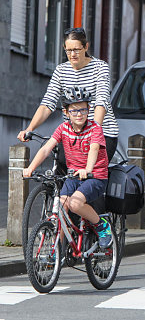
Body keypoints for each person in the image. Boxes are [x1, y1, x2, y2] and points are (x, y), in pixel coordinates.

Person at [23, 86, 113, 249]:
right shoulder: (63, 128)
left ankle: (102, 225)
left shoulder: (95, 129)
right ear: (66, 112)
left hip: (95, 177)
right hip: (73, 177)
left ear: (88, 110)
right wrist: (30, 167)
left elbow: (94, 149)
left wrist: (88, 169)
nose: (79, 114)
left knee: (75, 204)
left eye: (83, 109)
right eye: (74, 110)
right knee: (61, 206)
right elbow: (45, 149)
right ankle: (58, 249)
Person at [17, 27, 119, 163]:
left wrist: (94, 130)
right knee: (61, 173)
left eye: (77, 49)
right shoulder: (61, 71)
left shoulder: (100, 68)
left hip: (102, 133)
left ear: (86, 47)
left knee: (89, 176)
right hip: (72, 134)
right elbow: (48, 103)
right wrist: (29, 128)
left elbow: (101, 101)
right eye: (69, 50)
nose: (73, 54)